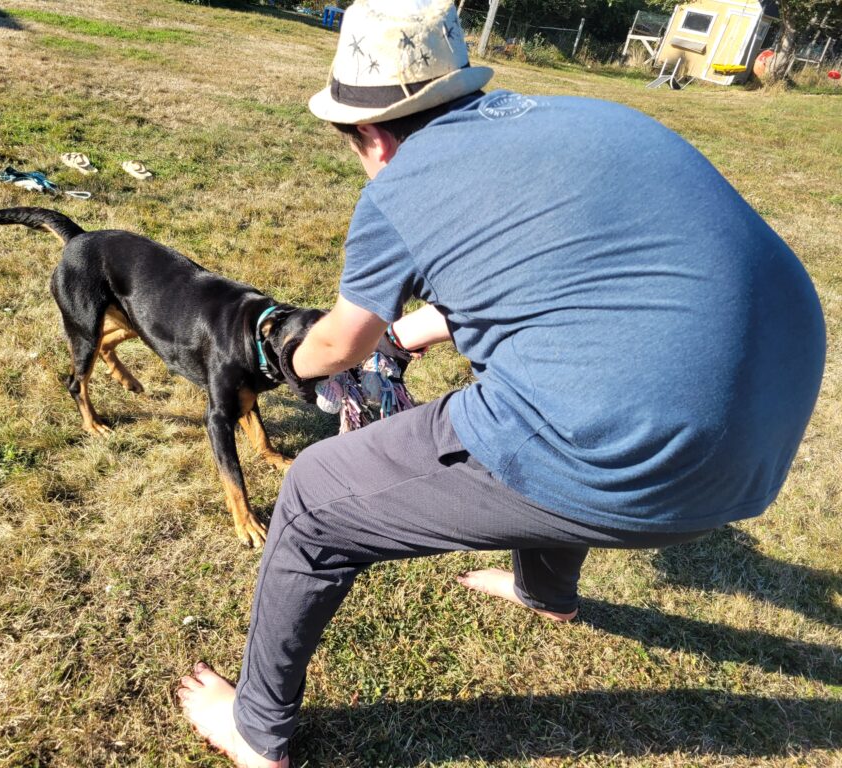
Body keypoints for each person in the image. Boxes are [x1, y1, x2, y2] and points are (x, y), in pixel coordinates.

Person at [176, 1, 826, 765]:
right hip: (762, 446)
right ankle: (546, 593)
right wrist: (424, 326)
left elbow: (338, 343)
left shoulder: (398, 182)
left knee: (317, 494)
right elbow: (575, 271)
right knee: (547, 386)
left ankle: (255, 732)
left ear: (371, 136)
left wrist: (292, 363)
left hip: (643, 456)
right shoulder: (590, 119)